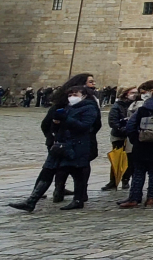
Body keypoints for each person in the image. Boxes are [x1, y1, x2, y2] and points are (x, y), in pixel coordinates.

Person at [9, 75, 100, 212]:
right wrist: (56, 124)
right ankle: (32, 200)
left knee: (78, 172)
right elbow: (49, 125)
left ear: (83, 94)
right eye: (70, 94)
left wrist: (66, 120)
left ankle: (78, 199)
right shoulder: (66, 106)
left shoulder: (89, 107)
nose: (72, 96)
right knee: (48, 170)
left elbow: (87, 126)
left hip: (77, 145)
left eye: (75, 94)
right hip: (60, 145)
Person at [103, 87, 138, 190]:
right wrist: (124, 129)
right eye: (132, 92)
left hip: (131, 137)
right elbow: (113, 122)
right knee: (117, 159)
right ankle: (113, 181)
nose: (135, 94)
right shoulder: (117, 106)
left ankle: (125, 179)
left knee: (130, 159)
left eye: (136, 93)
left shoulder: (137, 105)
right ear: (126, 94)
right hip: (119, 136)